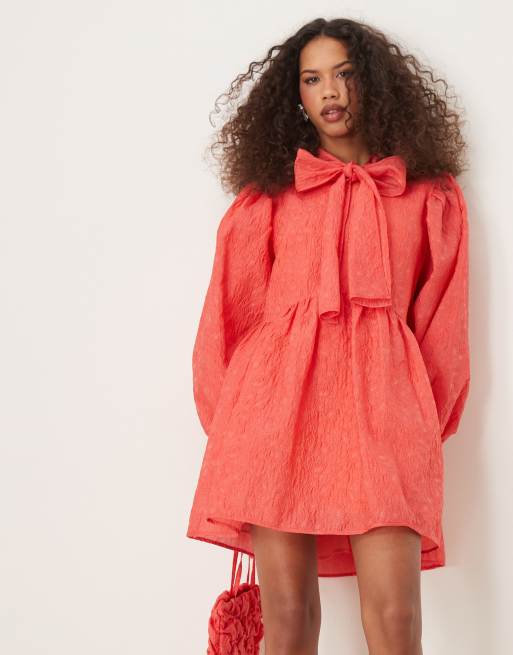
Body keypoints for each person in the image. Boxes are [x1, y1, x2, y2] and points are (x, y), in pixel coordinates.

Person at [187, 16, 471, 655]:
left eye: (344, 74)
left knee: (397, 618)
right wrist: (234, 427)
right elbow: (230, 315)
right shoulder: (269, 197)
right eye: (312, 79)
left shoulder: (427, 194)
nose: (330, 92)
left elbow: (443, 322)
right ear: (296, 95)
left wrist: (420, 422)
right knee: (288, 618)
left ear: (373, 83)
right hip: (275, 417)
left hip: (386, 414)